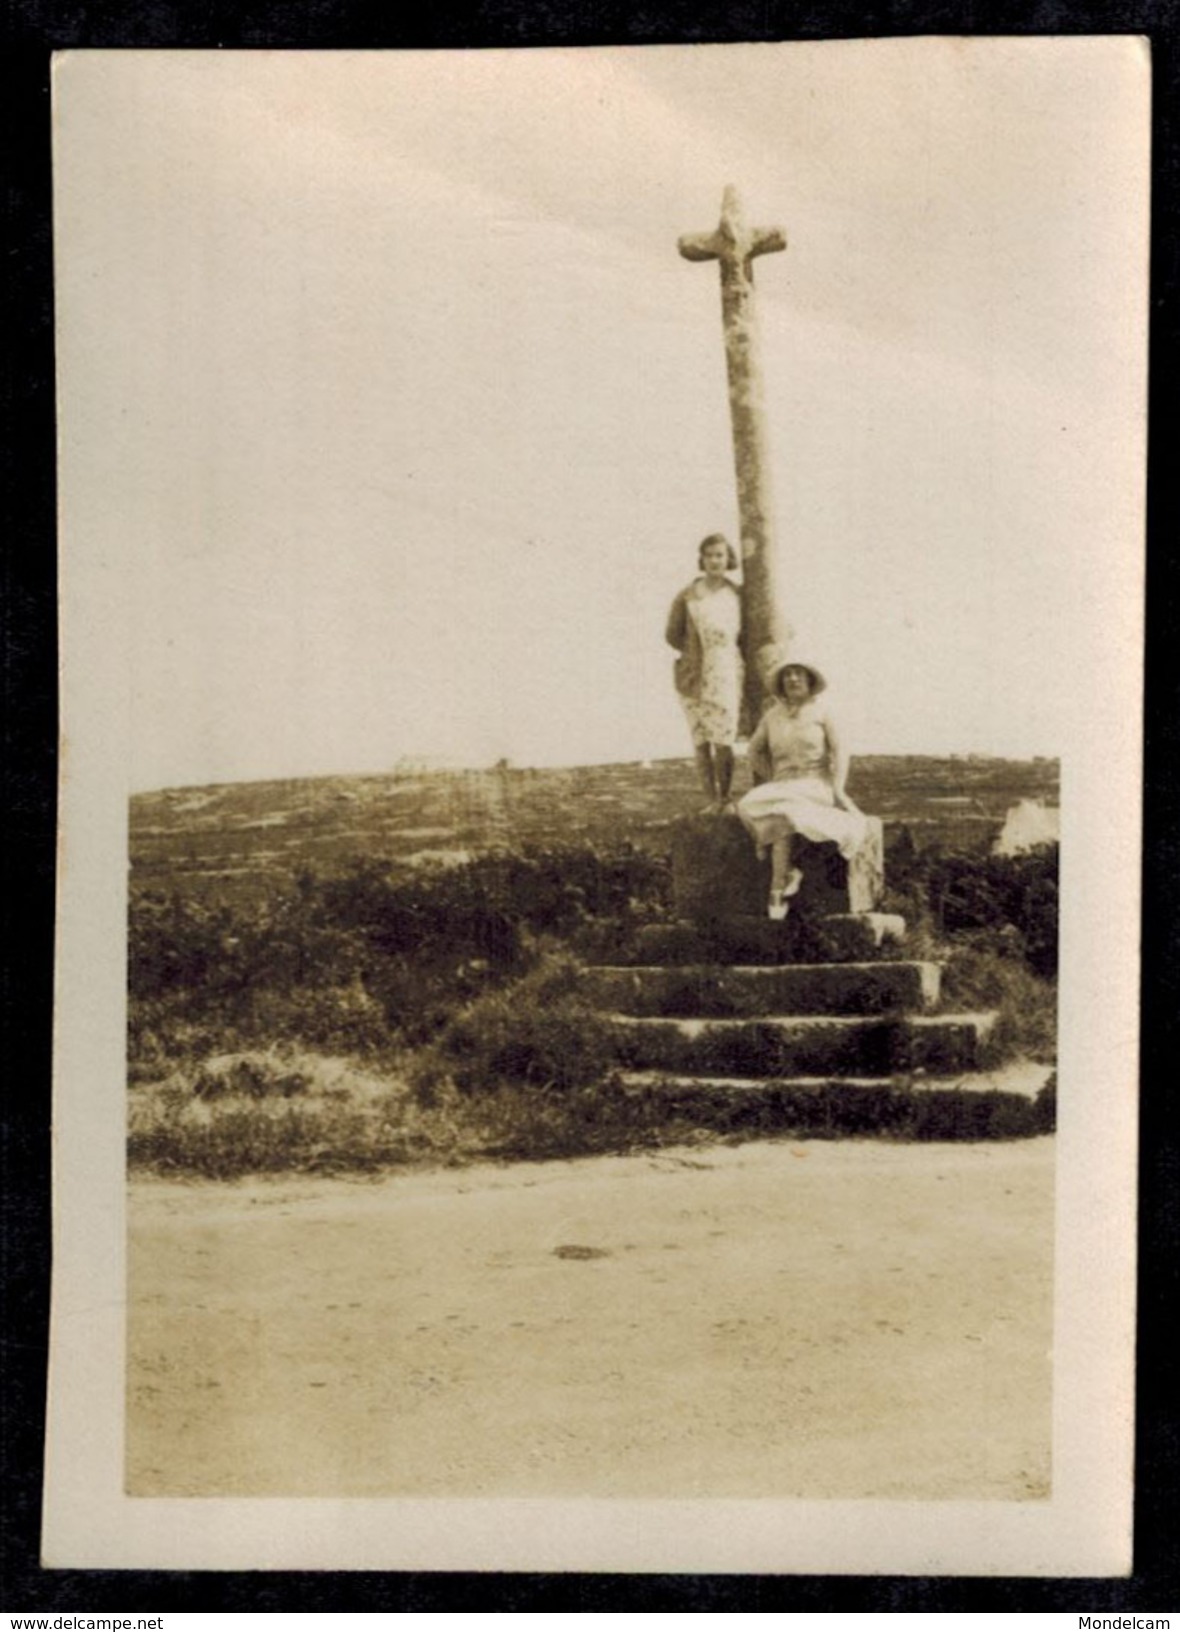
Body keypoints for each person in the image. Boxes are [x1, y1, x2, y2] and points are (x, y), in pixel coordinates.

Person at [737, 660, 867, 920]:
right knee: (746, 804)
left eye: (798, 674)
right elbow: (753, 751)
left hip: (814, 783)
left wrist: (838, 789)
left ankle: (777, 886)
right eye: (787, 675)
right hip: (783, 784)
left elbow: (840, 751)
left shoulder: (824, 712)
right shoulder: (772, 715)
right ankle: (791, 871)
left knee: (785, 812)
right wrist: (773, 776)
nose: (792, 679)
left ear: (809, 681)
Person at [665, 533, 745, 812]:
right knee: (700, 740)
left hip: (726, 671)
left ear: (728, 558)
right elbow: (672, 635)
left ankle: (726, 798)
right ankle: (710, 800)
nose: (714, 561)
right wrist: (695, 653)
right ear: (702, 559)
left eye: (720, 555)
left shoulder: (737, 595)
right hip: (693, 674)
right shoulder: (687, 595)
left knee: (723, 739)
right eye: (709, 555)